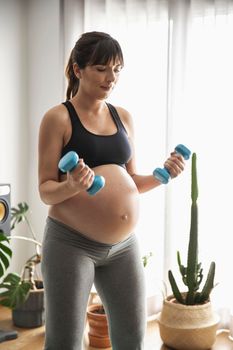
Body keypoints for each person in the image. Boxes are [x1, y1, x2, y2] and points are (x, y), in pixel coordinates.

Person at [38, 31, 185, 350]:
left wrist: (163, 175)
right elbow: (46, 191)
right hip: (70, 244)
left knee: (133, 338)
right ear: (78, 70)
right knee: (64, 341)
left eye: (117, 69)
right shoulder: (58, 118)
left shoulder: (124, 117)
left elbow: (130, 179)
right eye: (102, 68)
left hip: (123, 247)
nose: (112, 77)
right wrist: (72, 185)